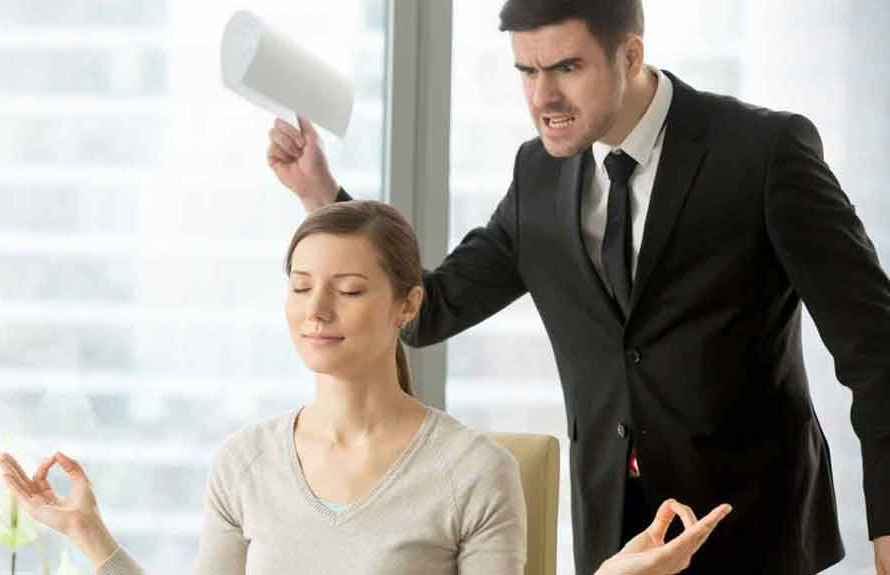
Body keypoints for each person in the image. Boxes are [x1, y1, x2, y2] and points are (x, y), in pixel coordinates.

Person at [264, 1, 890, 574]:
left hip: (754, 532)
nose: (544, 97)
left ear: (631, 55)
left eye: (566, 67)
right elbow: (428, 310)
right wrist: (319, 195)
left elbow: (874, 347)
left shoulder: (762, 152)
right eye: (527, 72)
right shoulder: (536, 174)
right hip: (612, 537)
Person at [0, 201, 730, 575]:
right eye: (300, 287)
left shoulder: (477, 472)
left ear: (407, 305)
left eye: (347, 290)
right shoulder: (243, 461)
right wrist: (89, 536)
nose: (316, 311)